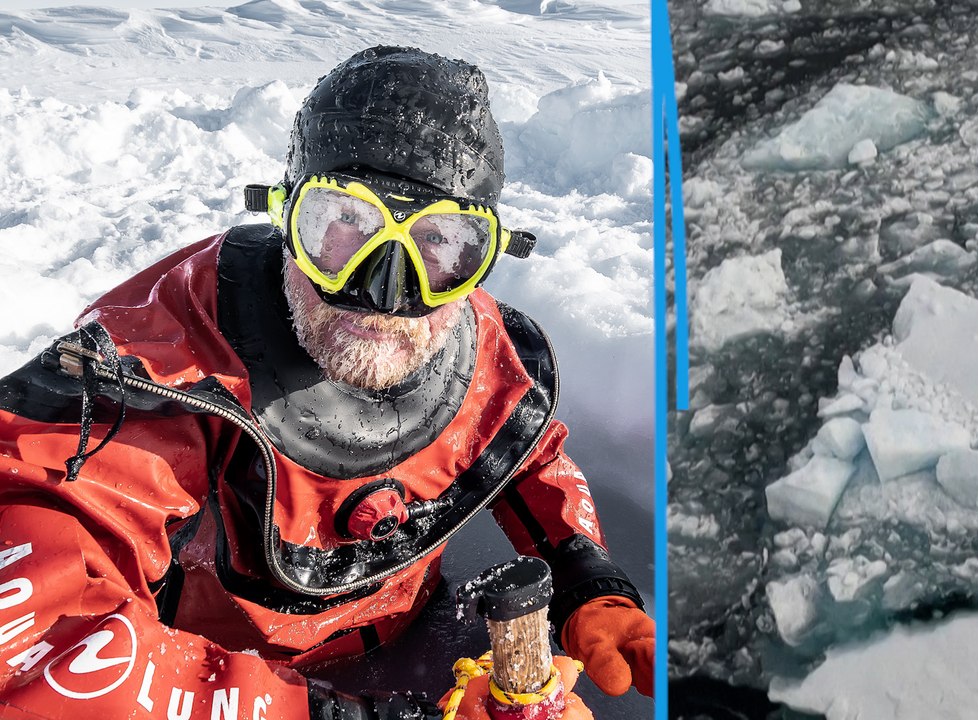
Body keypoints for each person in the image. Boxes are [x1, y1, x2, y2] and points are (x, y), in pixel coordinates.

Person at [0, 46, 653, 719]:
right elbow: (30, 642)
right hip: (206, 683)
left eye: (439, 245)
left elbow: (526, 453)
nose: (386, 291)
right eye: (345, 225)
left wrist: (585, 575)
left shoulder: (478, 345)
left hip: (420, 644)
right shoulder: (158, 371)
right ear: (287, 217)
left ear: (479, 260)